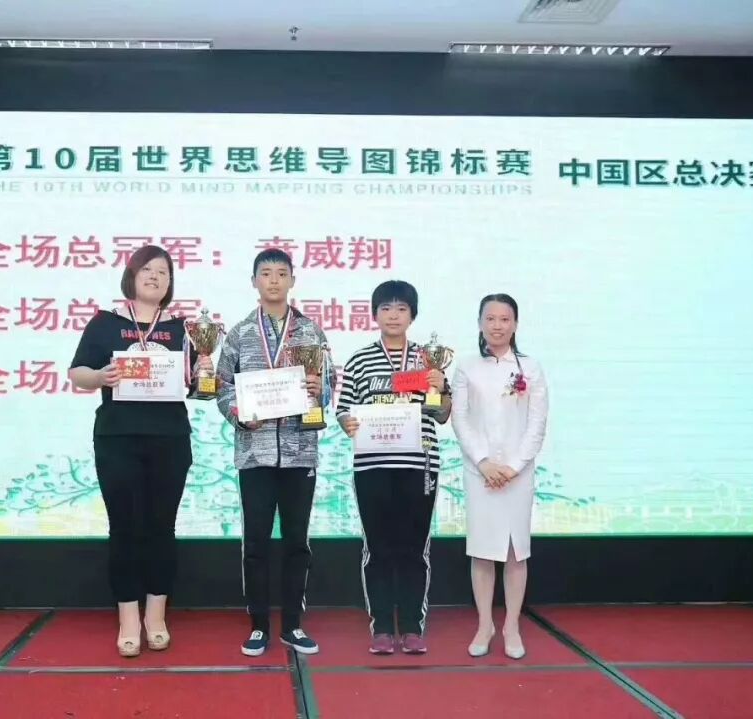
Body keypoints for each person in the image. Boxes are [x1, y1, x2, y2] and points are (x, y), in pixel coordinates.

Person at [68, 245, 211, 658]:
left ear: (170, 282)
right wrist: (101, 376)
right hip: (118, 439)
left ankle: (156, 615)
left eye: (163, 271)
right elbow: (78, 373)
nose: (154, 276)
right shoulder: (106, 323)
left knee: (162, 528)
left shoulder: (185, 329)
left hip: (169, 439)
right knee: (125, 528)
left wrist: (205, 374)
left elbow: (198, 386)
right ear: (131, 276)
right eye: (146, 269)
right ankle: (128, 618)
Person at [215, 248, 336, 657]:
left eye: (281, 273)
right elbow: (222, 385)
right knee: (256, 542)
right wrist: (239, 415)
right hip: (255, 454)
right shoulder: (239, 334)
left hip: (300, 453)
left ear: (292, 281)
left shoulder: (312, 333)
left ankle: (293, 624)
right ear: (254, 281)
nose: (273, 280)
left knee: (297, 541)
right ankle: (258, 625)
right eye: (265, 273)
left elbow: (329, 384)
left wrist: (321, 389)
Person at [336, 281, 452, 655]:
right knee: (378, 547)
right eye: (386, 308)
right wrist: (347, 422)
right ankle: (383, 625)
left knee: (414, 548)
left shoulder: (428, 360)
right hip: (373, 464)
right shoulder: (359, 360)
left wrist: (441, 388)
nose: (393, 315)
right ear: (374, 314)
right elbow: (344, 408)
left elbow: (442, 415)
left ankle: (413, 626)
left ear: (412, 315)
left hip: (420, 464)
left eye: (401, 309)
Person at [450, 293, 548, 660]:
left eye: (504, 319)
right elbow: (460, 419)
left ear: (515, 324)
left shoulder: (531, 368)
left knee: (514, 552)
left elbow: (537, 423)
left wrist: (514, 466)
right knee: (482, 551)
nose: (497, 326)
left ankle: (512, 625)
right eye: (490, 318)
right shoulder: (467, 367)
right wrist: (484, 462)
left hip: (517, 474)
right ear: (480, 323)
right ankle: (484, 624)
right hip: (480, 473)